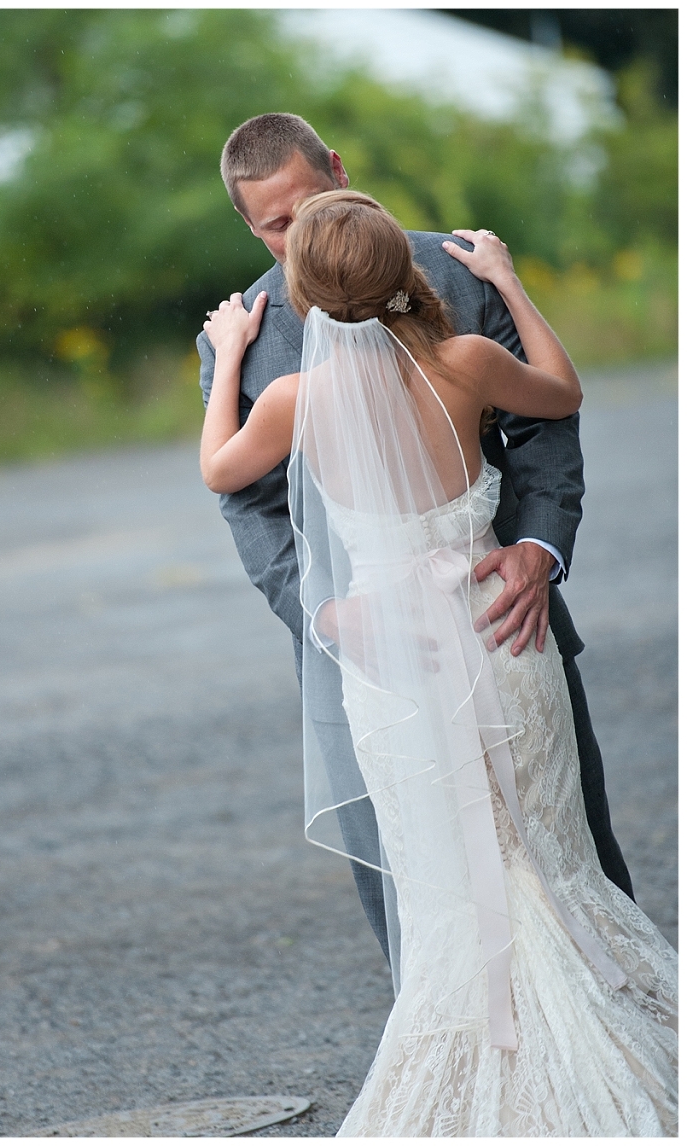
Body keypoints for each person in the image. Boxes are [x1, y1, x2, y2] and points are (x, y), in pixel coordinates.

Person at [199, 189, 677, 1135]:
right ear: (407, 269)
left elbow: (221, 470)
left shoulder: (296, 397)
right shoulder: (466, 360)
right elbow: (564, 391)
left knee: (448, 881)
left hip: (396, 668)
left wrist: (226, 361)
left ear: (300, 293)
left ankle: (474, 1076)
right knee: (549, 856)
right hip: (501, 633)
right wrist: (506, 279)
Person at [196, 114, 634, 968]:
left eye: (310, 205)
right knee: (420, 888)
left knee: (568, 856)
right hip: (368, 659)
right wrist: (325, 614)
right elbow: (248, 506)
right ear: (247, 228)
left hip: (508, 617)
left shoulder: (455, 270)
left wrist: (539, 547)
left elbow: (546, 430)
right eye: (274, 226)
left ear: (340, 168)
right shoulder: (245, 336)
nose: (298, 238)